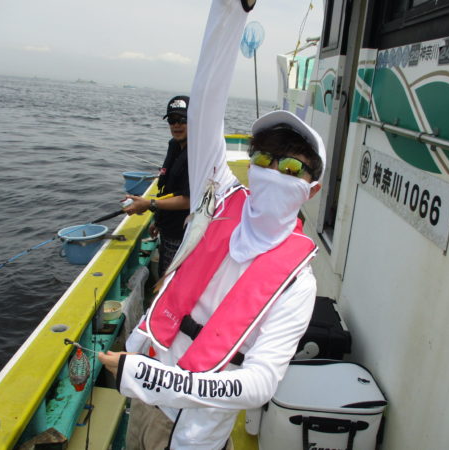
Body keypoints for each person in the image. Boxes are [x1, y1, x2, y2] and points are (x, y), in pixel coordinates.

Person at [99, 0, 326, 448]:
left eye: (291, 167)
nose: (273, 170)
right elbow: (204, 104)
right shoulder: (219, 195)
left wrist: (156, 379)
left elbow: (260, 383)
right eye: (263, 158)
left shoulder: (299, 285)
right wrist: (230, 11)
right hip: (141, 396)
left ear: (312, 190)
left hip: (192, 434)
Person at [122, 96, 191, 276]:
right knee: (163, 274)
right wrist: (158, 221)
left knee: (170, 281)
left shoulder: (197, 154)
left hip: (183, 236)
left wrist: (149, 204)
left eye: (182, 120)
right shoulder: (175, 146)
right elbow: (168, 188)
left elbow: (188, 200)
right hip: (168, 229)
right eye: (172, 120)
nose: (176, 125)